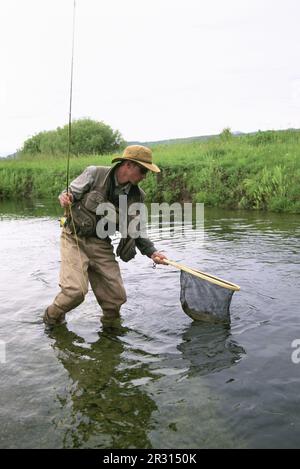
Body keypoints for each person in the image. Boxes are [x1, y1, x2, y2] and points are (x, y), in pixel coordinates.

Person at [44, 145, 167, 326]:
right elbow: (68, 195)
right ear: (128, 165)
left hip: (101, 243)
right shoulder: (94, 173)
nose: (144, 176)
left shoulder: (137, 196)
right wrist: (65, 197)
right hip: (74, 238)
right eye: (143, 170)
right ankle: (51, 319)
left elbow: (136, 230)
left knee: (115, 299)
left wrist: (152, 253)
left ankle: (111, 337)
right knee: (75, 292)